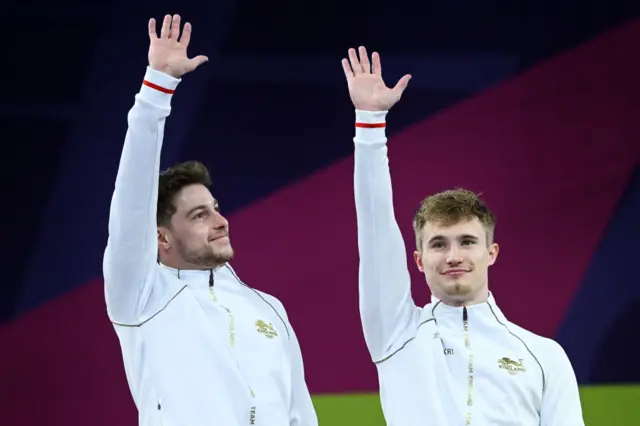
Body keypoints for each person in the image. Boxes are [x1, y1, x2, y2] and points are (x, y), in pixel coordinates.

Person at [343, 46, 585, 425]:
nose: (453, 255)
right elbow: (375, 225)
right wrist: (370, 123)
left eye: (467, 242)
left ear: (492, 252)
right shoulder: (396, 332)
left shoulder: (544, 356)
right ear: (419, 260)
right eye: (439, 244)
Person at [103, 14, 317, 426]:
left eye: (216, 208)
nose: (221, 221)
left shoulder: (269, 308)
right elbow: (131, 202)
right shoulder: (142, 296)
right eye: (200, 215)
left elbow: (299, 414)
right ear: (161, 237)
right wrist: (156, 92)